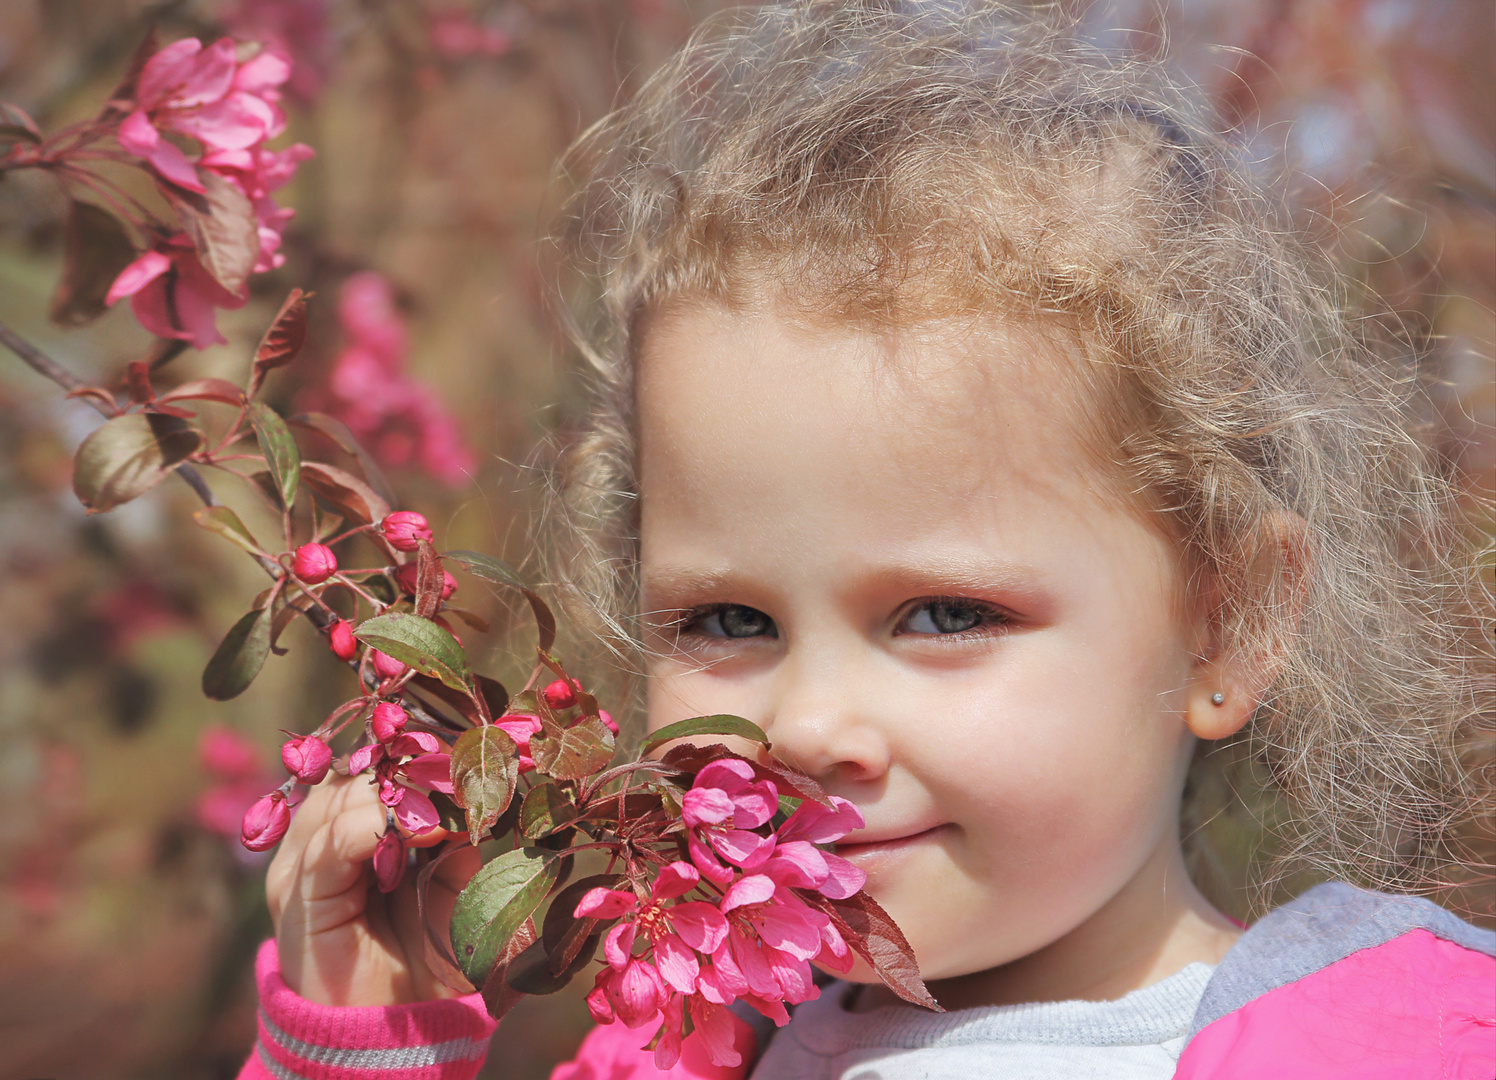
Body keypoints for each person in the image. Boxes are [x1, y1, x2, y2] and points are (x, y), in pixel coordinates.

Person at [238, 3, 1495, 1078]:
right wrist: (365, 1038)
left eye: (946, 615)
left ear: (1230, 621)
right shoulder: (681, 1046)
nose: (805, 726)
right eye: (725, 621)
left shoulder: (1386, 1045)